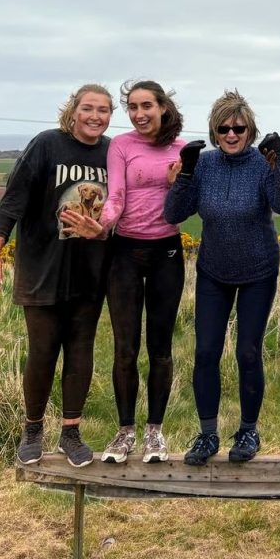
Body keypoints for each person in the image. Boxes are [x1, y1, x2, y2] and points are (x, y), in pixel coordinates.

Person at [0, 84, 114, 468]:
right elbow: (14, 199)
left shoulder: (112, 152)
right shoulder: (46, 145)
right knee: (42, 351)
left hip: (90, 271)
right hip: (42, 266)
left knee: (80, 351)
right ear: (73, 111)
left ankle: (71, 432)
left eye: (103, 110)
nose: (95, 116)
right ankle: (33, 428)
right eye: (88, 108)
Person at [163, 90, 280, 465]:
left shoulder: (261, 163)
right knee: (206, 352)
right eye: (224, 128)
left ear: (249, 129)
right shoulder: (204, 165)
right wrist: (186, 174)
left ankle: (248, 431)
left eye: (239, 128)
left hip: (258, 270)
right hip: (213, 272)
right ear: (214, 131)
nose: (232, 134)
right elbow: (174, 213)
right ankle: (207, 435)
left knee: (248, 352)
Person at [61, 80, 186, 464]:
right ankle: (125, 431)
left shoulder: (182, 149)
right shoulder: (122, 145)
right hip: (125, 253)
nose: (139, 113)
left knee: (160, 349)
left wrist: (178, 187)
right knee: (125, 348)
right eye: (132, 106)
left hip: (166, 252)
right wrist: (103, 227)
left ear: (163, 107)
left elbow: (188, 209)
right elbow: (115, 197)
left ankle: (155, 433)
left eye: (146, 105)